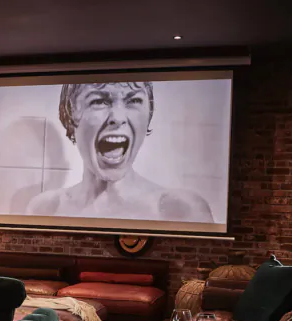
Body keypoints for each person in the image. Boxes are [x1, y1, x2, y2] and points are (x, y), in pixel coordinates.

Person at [26, 82, 213, 222]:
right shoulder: (44, 208)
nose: (118, 118)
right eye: (99, 100)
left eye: (133, 100)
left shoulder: (183, 209)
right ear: (70, 114)